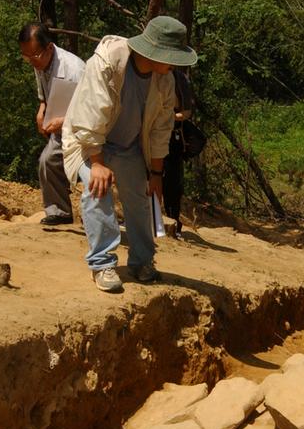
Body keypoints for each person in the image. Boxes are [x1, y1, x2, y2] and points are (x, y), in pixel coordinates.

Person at [61, 16, 197, 293]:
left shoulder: (166, 80)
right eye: (170, 56)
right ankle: (102, 263)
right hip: (88, 143)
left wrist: (156, 175)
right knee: (96, 188)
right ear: (154, 51)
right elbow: (90, 115)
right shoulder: (107, 62)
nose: (173, 63)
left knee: (142, 198)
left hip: (129, 147)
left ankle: (141, 262)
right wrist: (97, 164)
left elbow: (161, 129)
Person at [18, 23, 85, 226]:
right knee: (47, 162)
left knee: (90, 173)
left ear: (49, 47)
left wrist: (63, 122)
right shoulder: (40, 61)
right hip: (60, 129)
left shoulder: (75, 69)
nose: (31, 62)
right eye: (25, 57)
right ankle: (60, 212)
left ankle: (99, 219)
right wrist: (42, 108)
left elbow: (90, 111)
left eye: (34, 56)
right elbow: (44, 93)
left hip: (85, 131)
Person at [162, 69, 196, 240]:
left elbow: (187, 112)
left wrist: (168, 117)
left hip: (172, 138)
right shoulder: (148, 74)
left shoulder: (179, 78)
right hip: (149, 134)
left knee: (172, 182)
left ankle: (173, 222)